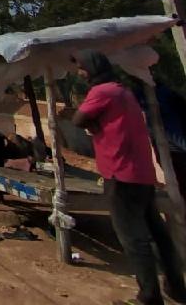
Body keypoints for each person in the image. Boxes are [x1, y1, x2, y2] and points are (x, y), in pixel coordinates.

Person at [72, 51, 186, 305]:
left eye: (81, 68)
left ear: (92, 69)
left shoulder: (102, 92)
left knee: (133, 238)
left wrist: (94, 126)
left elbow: (78, 119)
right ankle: (177, 287)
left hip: (120, 174)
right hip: (142, 174)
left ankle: (149, 297)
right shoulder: (123, 91)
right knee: (159, 234)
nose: (79, 73)